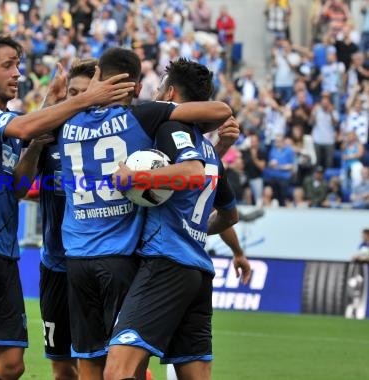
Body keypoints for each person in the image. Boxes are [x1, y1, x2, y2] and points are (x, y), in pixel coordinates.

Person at [0, 34, 136, 380]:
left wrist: (33, 147)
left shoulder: (6, 126)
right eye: (8, 65)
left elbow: (16, 186)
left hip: (3, 252)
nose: (17, 73)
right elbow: (25, 125)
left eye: (19, 65)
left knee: (12, 366)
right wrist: (86, 98)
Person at [58, 48, 232, 379]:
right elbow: (220, 114)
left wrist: (135, 177)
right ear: (136, 88)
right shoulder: (148, 118)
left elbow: (192, 172)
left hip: (89, 259)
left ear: (97, 80)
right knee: (138, 370)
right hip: (143, 259)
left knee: (101, 370)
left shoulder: (64, 121)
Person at [105, 58, 249, 380]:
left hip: (165, 263)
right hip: (198, 272)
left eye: (159, 87)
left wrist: (134, 180)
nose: (155, 93)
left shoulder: (171, 128)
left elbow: (190, 174)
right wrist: (198, 232)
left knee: (118, 370)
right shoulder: (211, 153)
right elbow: (229, 215)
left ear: (170, 93)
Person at [37, 59, 98, 380]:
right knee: (62, 368)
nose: (76, 100)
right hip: (56, 268)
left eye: (84, 94)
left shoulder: (113, 138)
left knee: (110, 365)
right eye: (71, 93)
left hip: (99, 265)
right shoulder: (50, 135)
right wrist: (49, 100)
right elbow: (19, 184)